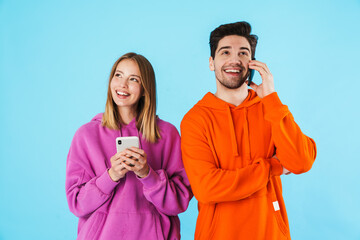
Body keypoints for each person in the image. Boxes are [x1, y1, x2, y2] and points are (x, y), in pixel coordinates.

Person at [180, 21, 317, 239]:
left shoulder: (270, 108)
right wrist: (273, 167)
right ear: (211, 63)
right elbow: (206, 189)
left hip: (269, 233)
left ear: (251, 62)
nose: (234, 59)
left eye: (243, 53)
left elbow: (301, 161)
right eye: (225, 52)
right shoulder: (195, 119)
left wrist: (272, 99)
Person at [66, 52, 192, 240]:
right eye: (118, 75)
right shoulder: (86, 135)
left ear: (144, 88)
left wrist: (148, 175)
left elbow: (178, 203)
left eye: (133, 79)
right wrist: (111, 176)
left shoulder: (167, 134)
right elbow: (77, 204)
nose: (123, 85)